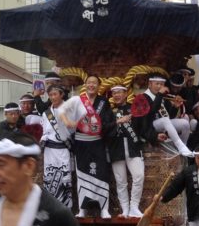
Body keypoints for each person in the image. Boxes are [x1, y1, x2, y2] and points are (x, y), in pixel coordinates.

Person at [59, 75, 115, 218]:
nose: (91, 85)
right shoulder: (77, 100)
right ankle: (82, 209)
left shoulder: (104, 102)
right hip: (81, 143)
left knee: (101, 174)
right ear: (85, 84)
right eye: (89, 82)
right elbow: (61, 110)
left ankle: (104, 208)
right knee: (82, 174)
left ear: (98, 86)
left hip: (97, 142)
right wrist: (67, 122)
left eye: (94, 83)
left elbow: (108, 122)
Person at [132, 73, 193, 158]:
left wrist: (175, 107)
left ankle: (183, 147)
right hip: (148, 127)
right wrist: (159, 95)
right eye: (157, 84)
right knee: (164, 120)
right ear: (150, 84)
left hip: (162, 124)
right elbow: (153, 111)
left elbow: (169, 117)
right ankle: (180, 145)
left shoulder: (163, 97)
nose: (159, 86)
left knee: (185, 123)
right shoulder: (142, 97)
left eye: (161, 84)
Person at [108, 85, 145, 218]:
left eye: (119, 92)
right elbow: (104, 128)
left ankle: (134, 207)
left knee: (139, 176)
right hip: (116, 147)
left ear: (126, 93)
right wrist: (118, 121)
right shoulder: (109, 111)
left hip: (133, 146)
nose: (116, 95)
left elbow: (143, 126)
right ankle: (125, 209)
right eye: (114, 93)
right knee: (120, 181)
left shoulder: (134, 109)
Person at [39, 84, 74, 208]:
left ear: (61, 94)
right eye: (50, 95)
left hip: (64, 148)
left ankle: (66, 209)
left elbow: (73, 130)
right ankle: (51, 207)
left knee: (65, 180)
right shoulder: (46, 113)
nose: (53, 97)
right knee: (50, 178)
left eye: (55, 94)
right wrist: (43, 140)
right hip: (49, 150)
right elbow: (45, 132)